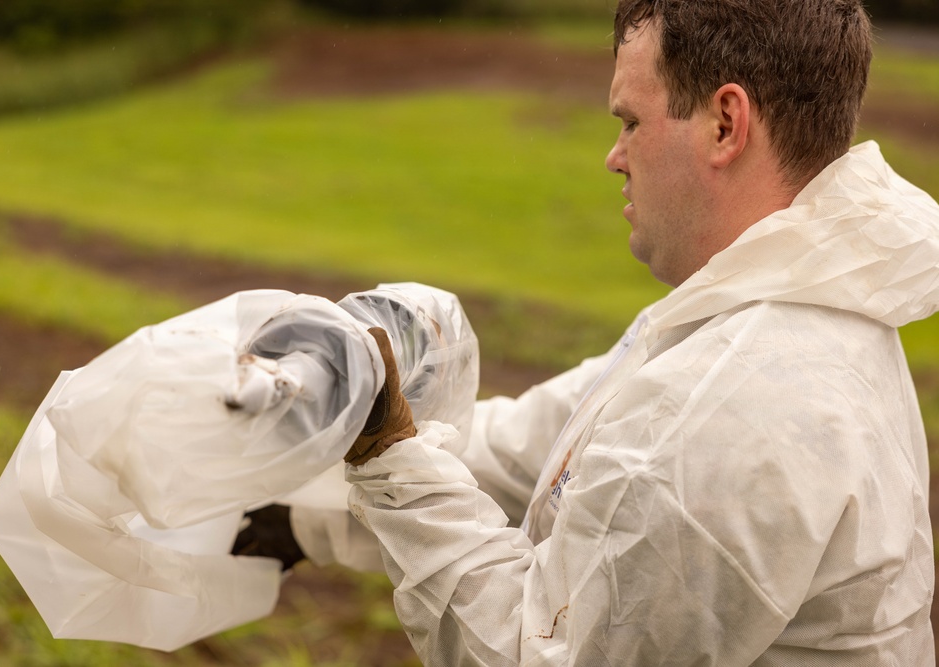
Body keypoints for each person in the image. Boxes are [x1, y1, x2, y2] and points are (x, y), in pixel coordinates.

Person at [235, 0, 939, 663]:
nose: (614, 155)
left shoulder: (735, 406)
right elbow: (539, 449)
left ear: (726, 123)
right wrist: (307, 508)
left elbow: (530, 649)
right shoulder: (773, 305)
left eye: (631, 122)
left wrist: (387, 452)